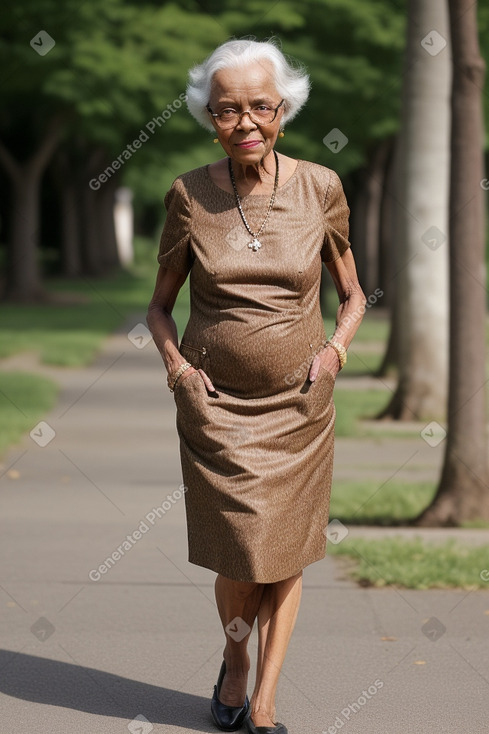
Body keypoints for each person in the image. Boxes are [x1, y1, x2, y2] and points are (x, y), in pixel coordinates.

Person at [147, 37, 366, 734]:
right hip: (215, 413)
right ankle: (235, 659)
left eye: (259, 107)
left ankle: (264, 699)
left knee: (286, 554)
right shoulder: (187, 194)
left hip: (299, 409)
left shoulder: (321, 188)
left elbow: (354, 295)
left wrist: (333, 354)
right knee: (242, 556)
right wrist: (178, 369)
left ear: (284, 109)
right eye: (226, 110)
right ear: (208, 115)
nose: (244, 122)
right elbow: (158, 306)